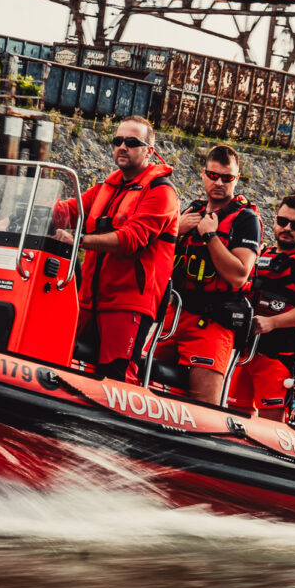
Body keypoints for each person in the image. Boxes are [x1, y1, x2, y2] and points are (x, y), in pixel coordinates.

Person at [54, 115, 179, 381]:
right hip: (88, 299)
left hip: (127, 305)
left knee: (116, 376)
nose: (123, 146)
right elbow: (68, 210)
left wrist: (79, 240)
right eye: (118, 140)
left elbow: (131, 238)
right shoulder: (105, 187)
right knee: (63, 358)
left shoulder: (161, 192)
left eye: (131, 142)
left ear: (149, 151)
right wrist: (27, 211)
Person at [156, 144, 261, 404]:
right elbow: (158, 257)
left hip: (213, 322)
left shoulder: (245, 220)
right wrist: (175, 230)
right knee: (142, 376)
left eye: (227, 178)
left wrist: (211, 236)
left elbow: (239, 275)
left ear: (236, 179)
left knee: (205, 401)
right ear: (204, 175)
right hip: (176, 314)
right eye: (213, 175)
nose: (219, 183)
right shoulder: (192, 211)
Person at [229, 194, 295, 422]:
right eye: (283, 222)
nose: (287, 228)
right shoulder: (260, 253)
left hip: (279, 357)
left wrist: (271, 322)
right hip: (246, 353)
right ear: (275, 221)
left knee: (271, 422)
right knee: (235, 413)